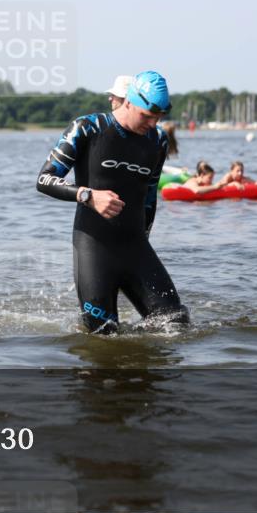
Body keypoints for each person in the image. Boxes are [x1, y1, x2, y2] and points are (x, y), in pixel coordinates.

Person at [36, 70, 187, 334]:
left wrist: (145, 242)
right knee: (104, 335)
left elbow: (149, 197)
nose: (152, 124)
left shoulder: (158, 140)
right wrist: (87, 195)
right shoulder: (88, 128)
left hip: (136, 247)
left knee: (177, 325)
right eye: (147, 116)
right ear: (129, 102)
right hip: (94, 247)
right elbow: (44, 179)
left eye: (159, 117)